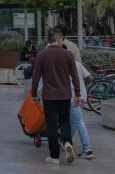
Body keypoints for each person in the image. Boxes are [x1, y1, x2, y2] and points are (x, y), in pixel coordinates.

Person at [31, 30, 81, 165]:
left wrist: (34, 94)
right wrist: (78, 94)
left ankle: (54, 157)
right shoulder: (68, 55)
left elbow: (35, 77)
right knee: (65, 122)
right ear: (59, 40)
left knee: (51, 124)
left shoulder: (41, 55)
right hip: (65, 95)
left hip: (49, 96)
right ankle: (68, 143)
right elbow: (75, 77)